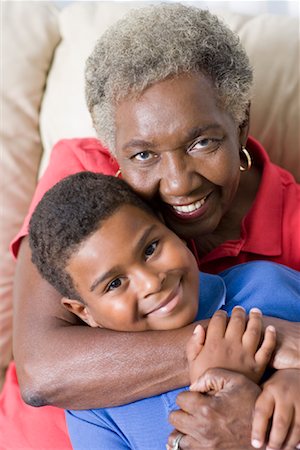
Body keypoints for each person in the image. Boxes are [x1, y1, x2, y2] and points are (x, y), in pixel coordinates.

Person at [2, 3, 299, 449]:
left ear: (240, 123)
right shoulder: (85, 180)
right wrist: (259, 341)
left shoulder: (288, 232)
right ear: (114, 152)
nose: (179, 183)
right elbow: (45, 371)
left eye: (203, 142)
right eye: (143, 155)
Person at [28, 171, 299, 450]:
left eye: (150, 249)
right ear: (84, 312)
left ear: (172, 231)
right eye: (115, 283)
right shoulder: (94, 408)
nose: (150, 282)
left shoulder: (267, 286)